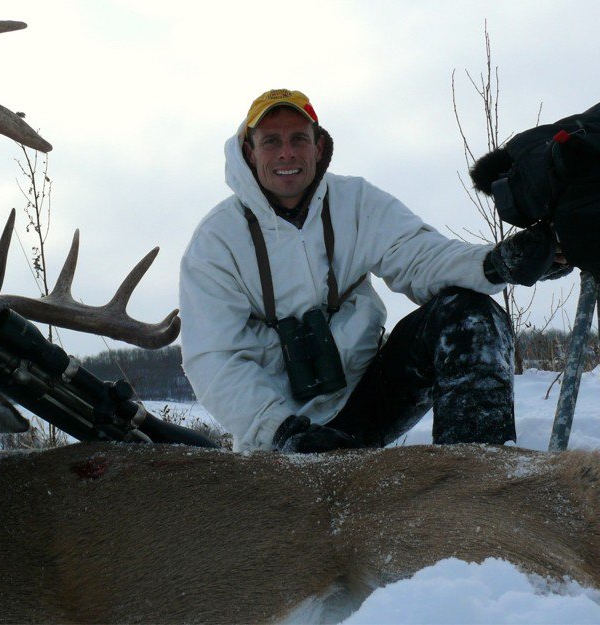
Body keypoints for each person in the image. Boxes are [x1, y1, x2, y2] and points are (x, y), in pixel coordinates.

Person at [179, 89, 568, 453]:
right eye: (271, 141)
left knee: (470, 316)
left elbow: (420, 257)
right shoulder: (216, 242)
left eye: (298, 139)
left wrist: (495, 264)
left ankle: (475, 479)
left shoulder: (356, 201)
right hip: (282, 438)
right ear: (249, 152)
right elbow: (214, 359)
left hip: (366, 402)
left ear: (317, 147)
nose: (287, 153)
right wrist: (281, 431)